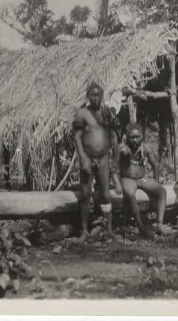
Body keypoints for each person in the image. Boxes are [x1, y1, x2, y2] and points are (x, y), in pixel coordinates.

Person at [72, 82, 122, 243]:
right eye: (92, 95)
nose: (95, 98)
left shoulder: (107, 113)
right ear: (87, 96)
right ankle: (85, 231)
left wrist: (115, 158)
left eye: (98, 95)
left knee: (106, 194)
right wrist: (84, 159)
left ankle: (109, 229)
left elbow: (114, 136)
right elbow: (77, 138)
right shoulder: (82, 114)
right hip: (87, 158)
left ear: (102, 96)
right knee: (85, 194)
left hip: (103, 158)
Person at [118, 123, 169, 238]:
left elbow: (155, 165)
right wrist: (117, 183)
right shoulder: (122, 148)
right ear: (127, 137)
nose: (135, 140)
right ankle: (141, 227)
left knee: (162, 191)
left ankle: (160, 224)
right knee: (130, 195)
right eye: (132, 137)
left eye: (138, 137)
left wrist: (156, 182)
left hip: (142, 179)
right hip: (128, 179)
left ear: (142, 137)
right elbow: (113, 166)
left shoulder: (145, 147)